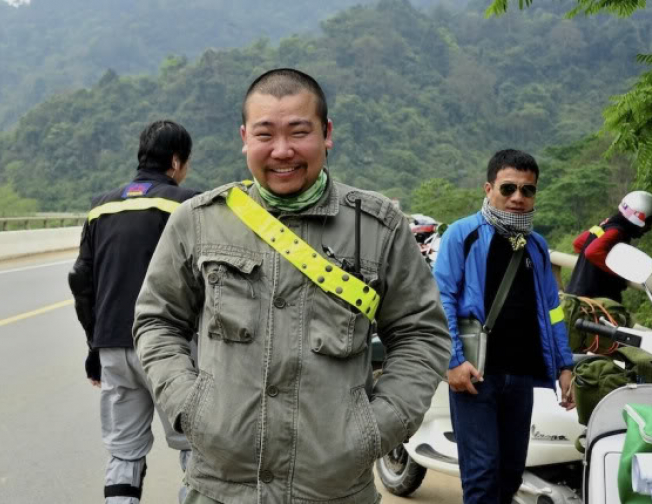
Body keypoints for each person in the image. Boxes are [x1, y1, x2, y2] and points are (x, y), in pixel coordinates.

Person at [132, 68, 451, 504]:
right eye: (265, 134)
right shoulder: (199, 221)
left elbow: (421, 333)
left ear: (327, 133)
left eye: (299, 132)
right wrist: (191, 407)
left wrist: (375, 427)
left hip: (334, 490)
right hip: (220, 488)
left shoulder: (378, 227)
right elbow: (157, 320)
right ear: (245, 137)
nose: (282, 151)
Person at [68, 120, 200, 504]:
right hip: (171, 349)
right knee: (196, 450)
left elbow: (81, 281)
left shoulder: (100, 208)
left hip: (112, 347)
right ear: (176, 162)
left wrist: (95, 347)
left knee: (124, 454)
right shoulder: (188, 205)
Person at [433, 149, 575, 504]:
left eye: (527, 190)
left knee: (511, 472)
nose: (517, 197)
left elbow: (552, 310)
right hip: (476, 373)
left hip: (521, 376)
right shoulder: (462, 236)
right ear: (488, 188)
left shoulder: (537, 247)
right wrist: (452, 361)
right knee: (482, 473)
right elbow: (440, 299)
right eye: (508, 187)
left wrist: (565, 364)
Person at [566, 190, 652, 303]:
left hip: (577, 295)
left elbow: (579, 244)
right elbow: (592, 252)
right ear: (639, 217)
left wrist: (599, 264)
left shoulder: (605, 225)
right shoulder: (616, 232)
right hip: (595, 302)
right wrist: (621, 271)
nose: (649, 228)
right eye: (649, 222)